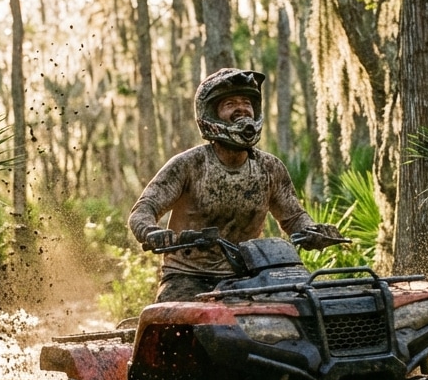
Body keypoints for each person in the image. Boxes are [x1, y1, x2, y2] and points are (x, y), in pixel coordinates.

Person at [128, 67, 343, 301]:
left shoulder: (269, 167)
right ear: (211, 113)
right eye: (230, 103)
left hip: (252, 275)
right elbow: (143, 210)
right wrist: (152, 232)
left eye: (246, 102)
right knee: (174, 325)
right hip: (188, 276)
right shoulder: (189, 164)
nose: (242, 108)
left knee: (301, 311)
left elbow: (293, 218)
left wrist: (312, 232)